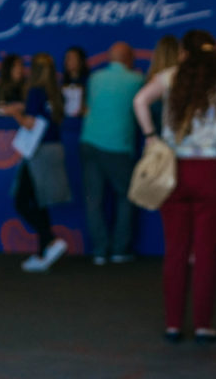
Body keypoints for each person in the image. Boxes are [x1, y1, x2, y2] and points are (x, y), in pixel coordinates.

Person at [133, 30, 216, 344]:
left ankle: (173, 325)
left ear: (183, 52)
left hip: (173, 169)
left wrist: (150, 136)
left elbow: (140, 101)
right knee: (205, 253)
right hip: (211, 171)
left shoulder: (168, 76)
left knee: (175, 251)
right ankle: (203, 326)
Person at [5, 53, 71, 273]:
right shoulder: (57, 92)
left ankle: (50, 241)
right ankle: (44, 253)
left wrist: (15, 114)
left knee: (22, 200)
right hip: (55, 149)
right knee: (39, 201)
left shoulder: (35, 91)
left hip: (38, 152)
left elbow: (31, 124)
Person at [80, 42, 144, 265]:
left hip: (89, 141)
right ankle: (119, 249)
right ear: (129, 58)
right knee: (127, 196)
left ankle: (99, 251)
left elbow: (87, 107)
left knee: (93, 199)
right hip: (118, 145)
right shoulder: (137, 80)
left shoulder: (95, 78)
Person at [145, 35, 180, 134]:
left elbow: (139, 102)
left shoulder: (150, 81)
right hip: (174, 137)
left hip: (159, 138)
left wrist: (150, 135)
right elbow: (139, 102)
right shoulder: (179, 79)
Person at [61, 46, 89, 117]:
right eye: (67, 58)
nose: (68, 61)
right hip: (66, 122)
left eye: (72, 58)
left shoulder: (89, 82)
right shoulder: (62, 83)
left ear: (80, 61)